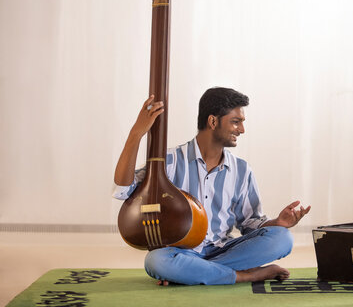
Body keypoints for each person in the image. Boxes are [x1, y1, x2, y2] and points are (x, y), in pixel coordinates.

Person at [113, 87, 310, 285]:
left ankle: (193, 273)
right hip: (181, 251)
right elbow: (123, 190)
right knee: (155, 261)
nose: (242, 130)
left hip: (224, 249)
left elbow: (251, 224)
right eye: (236, 122)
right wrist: (136, 134)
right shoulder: (168, 162)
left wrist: (278, 222)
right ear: (213, 121)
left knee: (282, 238)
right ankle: (246, 275)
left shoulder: (241, 170)